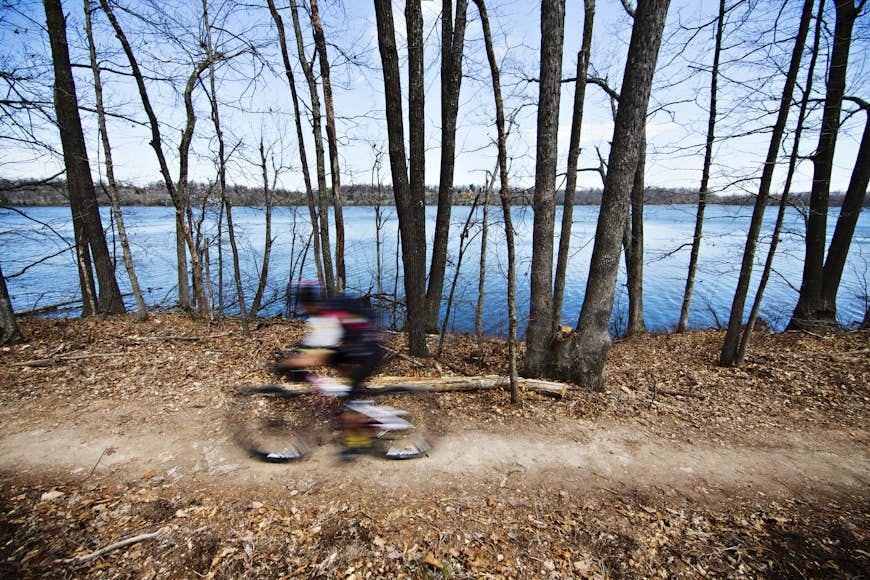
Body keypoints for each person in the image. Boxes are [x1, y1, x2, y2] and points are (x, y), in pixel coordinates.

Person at [271, 283, 384, 458]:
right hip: (358, 346)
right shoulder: (324, 311)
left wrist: (288, 364)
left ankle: (357, 443)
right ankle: (355, 404)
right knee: (339, 372)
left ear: (308, 304)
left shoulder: (327, 317)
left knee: (349, 401)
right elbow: (313, 344)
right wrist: (295, 356)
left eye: (302, 305)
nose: (301, 309)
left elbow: (318, 357)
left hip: (368, 352)